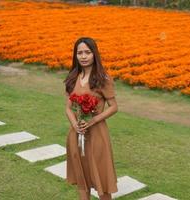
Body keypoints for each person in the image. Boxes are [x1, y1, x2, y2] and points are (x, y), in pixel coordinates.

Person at [63, 37, 118, 200]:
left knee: (101, 177)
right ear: (75, 55)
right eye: (79, 53)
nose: (83, 56)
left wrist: (93, 121)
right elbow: (68, 107)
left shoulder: (103, 79)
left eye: (87, 52)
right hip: (76, 135)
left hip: (97, 136)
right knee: (82, 178)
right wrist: (76, 125)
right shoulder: (73, 78)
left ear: (94, 54)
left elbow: (114, 107)